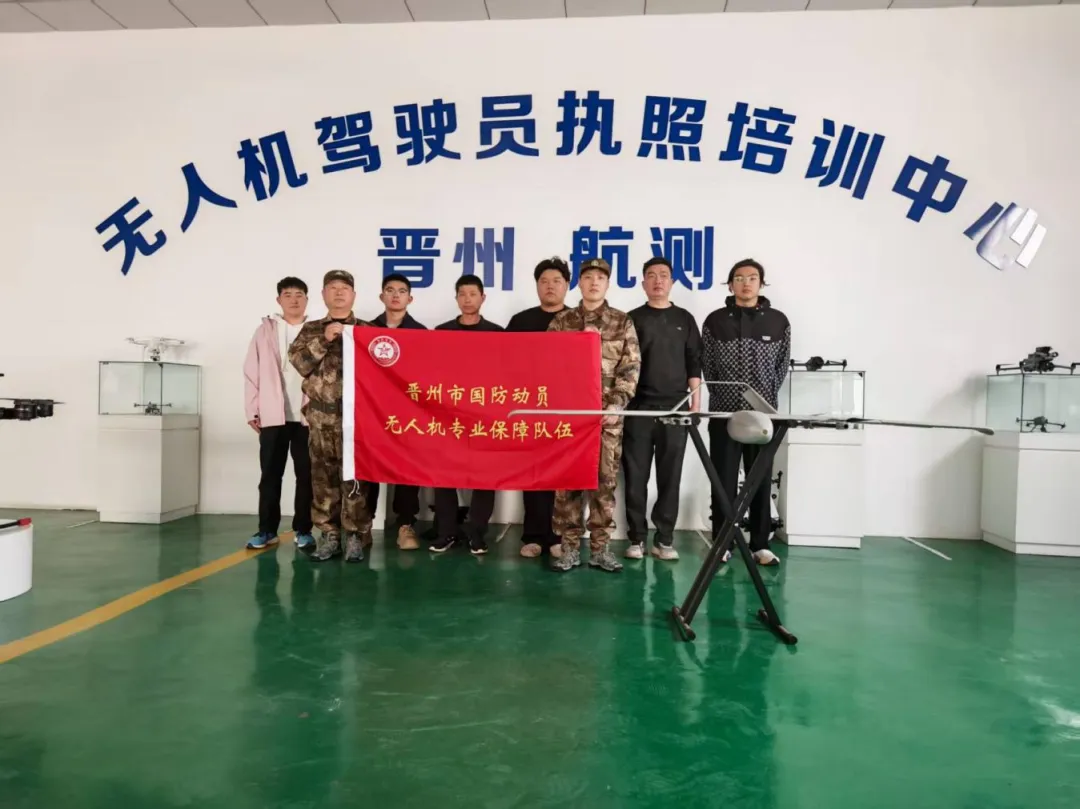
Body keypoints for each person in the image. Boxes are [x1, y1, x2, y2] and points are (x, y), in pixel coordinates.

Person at [547, 258, 641, 573]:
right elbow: (547, 366)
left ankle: (600, 550)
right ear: (580, 283)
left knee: (604, 485)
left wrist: (617, 404)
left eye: (600, 277)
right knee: (568, 484)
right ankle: (569, 548)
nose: (594, 282)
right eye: (588, 277)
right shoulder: (562, 322)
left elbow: (630, 367)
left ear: (607, 283)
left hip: (607, 419)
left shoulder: (621, 322)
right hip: (571, 418)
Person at [700, 258, 790, 567]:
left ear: (761, 284)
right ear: (730, 285)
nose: (746, 283)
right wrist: (723, 397)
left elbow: (781, 367)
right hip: (724, 414)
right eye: (739, 278)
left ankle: (760, 544)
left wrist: (765, 397)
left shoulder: (778, 321)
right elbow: (708, 366)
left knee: (760, 479)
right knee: (722, 480)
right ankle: (722, 543)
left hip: (763, 415)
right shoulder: (715, 321)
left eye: (752, 278)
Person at [288, 270, 374, 563]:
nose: (339, 292)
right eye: (332, 288)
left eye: (344, 288)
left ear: (353, 295)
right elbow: (299, 363)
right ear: (324, 295)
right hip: (321, 421)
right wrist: (324, 340)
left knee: (355, 480)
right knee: (322, 482)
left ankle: (355, 536)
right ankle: (329, 536)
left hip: (356, 422)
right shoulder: (312, 329)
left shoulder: (367, 331)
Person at [622, 257, 702, 562]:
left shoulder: (685, 318)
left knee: (670, 476)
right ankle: (636, 538)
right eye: (652, 275)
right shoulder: (632, 319)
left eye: (664, 275)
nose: (658, 280)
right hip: (638, 409)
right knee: (636, 477)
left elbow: (693, 361)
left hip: (676, 409)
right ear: (643, 282)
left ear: (672, 282)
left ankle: (664, 539)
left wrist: (695, 403)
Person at [430, 274, 503, 555]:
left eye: (473, 294)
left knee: (485, 477)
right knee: (444, 476)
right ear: (456, 298)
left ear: (483, 298)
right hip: (449, 415)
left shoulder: (497, 334)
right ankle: (446, 532)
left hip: (485, 415)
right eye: (462, 294)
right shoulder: (441, 332)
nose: (467, 299)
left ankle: (476, 533)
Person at [243, 276, 316, 551]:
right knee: (270, 476)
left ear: (307, 299)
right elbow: (251, 371)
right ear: (279, 300)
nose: (294, 300)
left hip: (308, 417)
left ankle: (304, 530)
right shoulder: (264, 332)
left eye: (299, 295)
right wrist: (253, 409)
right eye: (288, 295)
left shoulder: (316, 331)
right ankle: (266, 530)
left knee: (306, 476)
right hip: (273, 415)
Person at [505, 257, 570, 559]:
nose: (550, 286)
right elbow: (503, 363)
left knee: (561, 476)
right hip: (528, 409)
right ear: (536, 286)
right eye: (544, 281)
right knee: (532, 474)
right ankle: (532, 536)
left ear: (567, 285)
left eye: (556, 281)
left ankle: (558, 536)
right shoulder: (521, 322)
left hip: (566, 410)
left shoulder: (577, 321)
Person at [366, 272, 426, 551]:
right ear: (382, 296)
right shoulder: (365, 331)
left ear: (410, 299)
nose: (395, 295)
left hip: (407, 411)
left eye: (401, 291)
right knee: (368, 465)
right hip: (372, 409)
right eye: (390, 290)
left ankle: (405, 524)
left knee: (406, 467)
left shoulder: (421, 333)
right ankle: (363, 524)